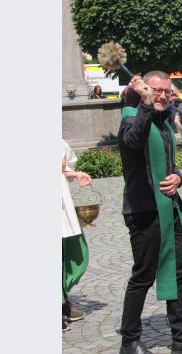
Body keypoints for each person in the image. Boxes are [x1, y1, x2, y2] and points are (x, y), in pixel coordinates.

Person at [118, 73, 182, 354]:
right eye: (156, 91)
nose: (163, 96)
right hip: (144, 210)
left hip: (168, 205)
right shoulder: (131, 116)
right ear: (144, 90)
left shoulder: (162, 122)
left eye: (166, 92)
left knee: (178, 271)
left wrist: (178, 176)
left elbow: (168, 166)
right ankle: (129, 343)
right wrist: (145, 104)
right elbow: (133, 142)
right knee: (143, 275)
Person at [61, 139, 91, 332]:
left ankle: (62, 302)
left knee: (75, 254)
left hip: (62, 208)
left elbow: (62, 169)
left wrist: (77, 173)